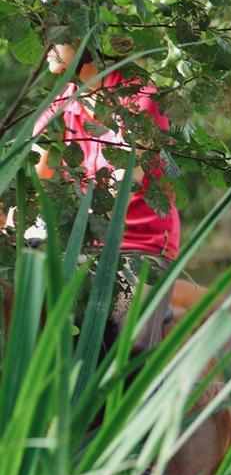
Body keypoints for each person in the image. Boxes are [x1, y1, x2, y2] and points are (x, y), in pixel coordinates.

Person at [32, 40, 180, 350]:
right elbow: (32, 171)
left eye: (56, 31)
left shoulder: (139, 97)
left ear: (85, 36)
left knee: (131, 351)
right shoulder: (63, 102)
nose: (46, 42)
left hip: (138, 248)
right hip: (82, 248)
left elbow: (119, 193)